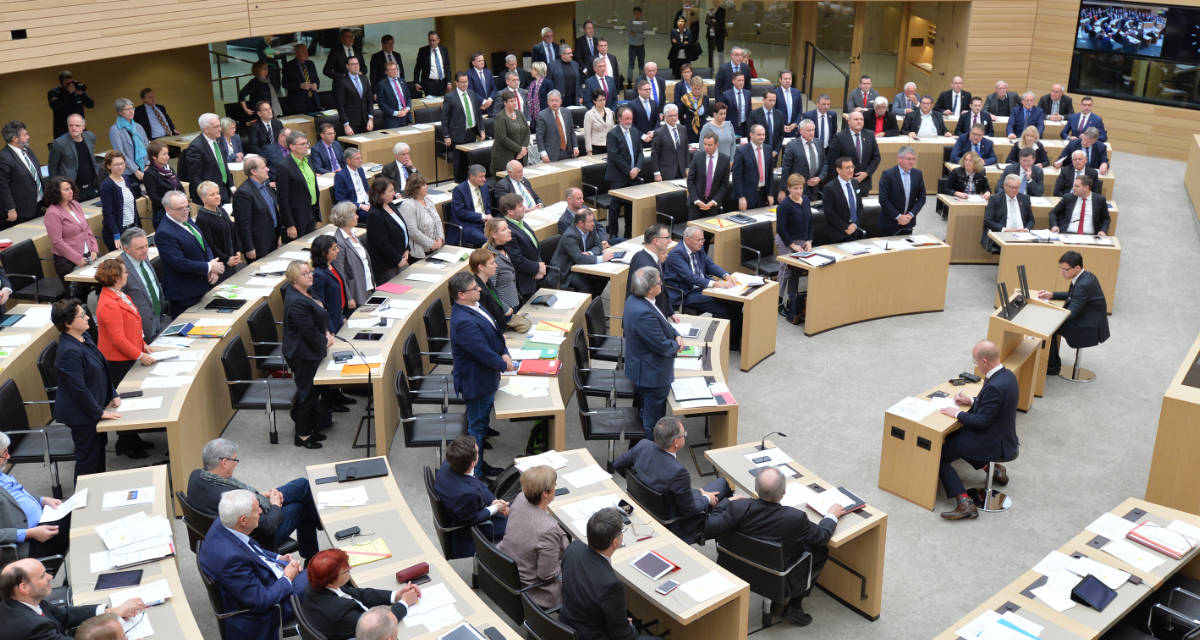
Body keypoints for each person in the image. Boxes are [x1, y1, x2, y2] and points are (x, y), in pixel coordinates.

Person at [707, 467, 844, 627]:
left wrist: (726, 503)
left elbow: (710, 526)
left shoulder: (738, 508)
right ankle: (794, 606)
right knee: (820, 551)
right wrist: (832, 515)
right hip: (775, 575)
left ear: (756, 489)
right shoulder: (795, 518)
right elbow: (822, 536)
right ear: (783, 492)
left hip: (735, 568)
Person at [197, 490, 308, 640]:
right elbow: (261, 601)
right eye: (257, 510)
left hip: (266, 578)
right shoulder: (231, 559)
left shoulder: (222, 524)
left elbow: (252, 549)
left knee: (324, 565)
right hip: (270, 608)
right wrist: (288, 577)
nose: (261, 512)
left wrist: (279, 557)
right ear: (243, 520)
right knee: (325, 570)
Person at [188, 437, 322, 557]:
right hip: (259, 536)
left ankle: (318, 526)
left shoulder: (196, 476)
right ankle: (313, 555)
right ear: (224, 462)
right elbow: (267, 526)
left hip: (242, 515)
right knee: (302, 507)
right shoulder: (226, 496)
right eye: (235, 459)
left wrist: (260, 496)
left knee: (302, 485)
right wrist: (275, 505)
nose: (236, 463)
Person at [936, 341, 1019, 520]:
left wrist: (956, 413)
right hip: (1004, 436)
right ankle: (993, 470)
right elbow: (995, 405)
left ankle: (964, 503)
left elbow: (981, 421)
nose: (975, 366)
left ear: (984, 361)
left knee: (940, 454)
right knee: (955, 440)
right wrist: (972, 401)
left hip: (992, 441)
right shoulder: (1007, 376)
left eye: (975, 362)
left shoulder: (995, 385)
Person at [614, 417, 733, 543]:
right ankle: (722, 530)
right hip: (675, 519)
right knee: (722, 484)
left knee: (708, 489)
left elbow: (618, 464)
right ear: (676, 442)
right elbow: (689, 509)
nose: (684, 436)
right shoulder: (678, 473)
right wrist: (707, 498)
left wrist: (638, 484)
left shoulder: (643, 445)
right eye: (684, 435)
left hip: (653, 504)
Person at [559, 507, 660, 640]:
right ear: (615, 542)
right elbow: (623, 635)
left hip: (567, 625)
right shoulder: (611, 585)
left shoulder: (574, 549)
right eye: (622, 531)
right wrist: (630, 627)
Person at [449, 274, 514, 478]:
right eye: (474, 289)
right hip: (476, 381)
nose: (479, 290)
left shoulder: (476, 306)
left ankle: (480, 465)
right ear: (461, 295)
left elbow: (496, 333)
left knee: (480, 422)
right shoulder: (462, 321)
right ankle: (474, 476)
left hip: (487, 376)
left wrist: (504, 351)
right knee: (476, 429)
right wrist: (505, 364)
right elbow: (482, 353)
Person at [94, 259, 155, 458]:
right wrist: (139, 355)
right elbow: (118, 339)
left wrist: (142, 343)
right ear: (116, 277)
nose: (127, 275)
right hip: (118, 360)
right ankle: (126, 442)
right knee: (124, 402)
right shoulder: (108, 303)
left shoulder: (120, 295)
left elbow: (133, 324)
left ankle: (133, 438)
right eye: (124, 272)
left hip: (129, 354)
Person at [51, 298, 119, 479]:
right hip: (82, 415)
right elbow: (78, 389)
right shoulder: (69, 351)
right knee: (88, 463)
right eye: (82, 315)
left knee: (98, 456)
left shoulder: (84, 337)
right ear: (68, 323)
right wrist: (98, 412)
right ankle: (80, 505)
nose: (88, 317)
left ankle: (98, 495)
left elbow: (101, 367)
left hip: (95, 407)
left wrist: (112, 393)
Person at [0, 557, 142, 640]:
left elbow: (64, 615)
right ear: (24, 588)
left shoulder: (23, 601)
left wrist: (112, 611)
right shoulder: (32, 628)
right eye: (43, 576)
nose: (51, 577)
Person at [302, 549, 418, 640]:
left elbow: (359, 594)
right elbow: (379, 627)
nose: (350, 568)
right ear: (331, 582)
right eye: (346, 570)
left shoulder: (316, 583)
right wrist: (404, 602)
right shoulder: (340, 612)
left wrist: (395, 595)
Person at [497, 465, 570, 609]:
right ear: (545, 494)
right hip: (535, 590)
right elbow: (547, 574)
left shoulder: (520, 498)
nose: (556, 487)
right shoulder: (549, 529)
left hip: (509, 569)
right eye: (554, 485)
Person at [622, 267, 681, 436]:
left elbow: (663, 323)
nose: (661, 284)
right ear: (650, 290)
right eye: (658, 282)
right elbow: (661, 345)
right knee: (653, 422)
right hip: (652, 374)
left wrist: (676, 335)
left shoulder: (636, 301)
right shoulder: (643, 314)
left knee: (646, 412)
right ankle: (650, 453)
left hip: (644, 368)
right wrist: (677, 345)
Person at [282, 260, 332, 449]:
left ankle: (309, 427)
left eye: (309, 272)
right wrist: (325, 341)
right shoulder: (296, 302)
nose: (310, 275)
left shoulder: (306, 292)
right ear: (295, 279)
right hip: (302, 354)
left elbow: (318, 319)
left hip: (310, 350)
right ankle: (301, 435)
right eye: (304, 273)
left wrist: (326, 333)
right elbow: (308, 331)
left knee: (313, 391)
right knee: (307, 393)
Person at [1037, 250, 1110, 376]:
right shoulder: (1086, 275)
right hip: (1090, 318)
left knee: (1049, 327)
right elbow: (1074, 296)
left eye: (1065, 269)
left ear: (1077, 268)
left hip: (1088, 326)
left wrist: (1051, 314)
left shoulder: (1083, 284)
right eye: (1061, 268)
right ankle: (1052, 362)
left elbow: (1072, 313)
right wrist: (1052, 295)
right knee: (1051, 323)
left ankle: (1052, 367)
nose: (1062, 272)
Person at [0, 433, 69, 559]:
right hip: (28, 544)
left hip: (41, 522)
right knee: (76, 519)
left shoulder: (1, 475)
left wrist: (42, 500)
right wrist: (29, 533)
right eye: (4, 454)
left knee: (74, 511)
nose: (8, 456)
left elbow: (16, 498)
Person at [156, 190, 223, 314]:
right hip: (184, 293)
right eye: (179, 208)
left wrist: (210, 267)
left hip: (202, 284)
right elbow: (179, 263)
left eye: (187, 206)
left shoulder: (186, 219)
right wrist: (208, 267)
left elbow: (204, 244)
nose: (185, 211)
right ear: (167, 209)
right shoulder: (164, 233)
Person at [664, 226, 740, 328]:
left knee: (736, 302)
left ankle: (736, 336)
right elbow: (691, 277)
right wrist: (717, 284)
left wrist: (726, 276)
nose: (702, 242)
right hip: (687, 293)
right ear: (687, 239)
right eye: (699, 240)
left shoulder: (698, 247)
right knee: (724, 308)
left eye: (703, 239)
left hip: (703, 286)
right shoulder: (676, 255)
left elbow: (709, 264)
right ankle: (726, 340)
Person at [44, 177, 99, 284]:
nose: (71, 191)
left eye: (71, 188)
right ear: (56, 193)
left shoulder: (75, 204)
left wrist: (94, 249)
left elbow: (86, 228)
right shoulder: (52, 213)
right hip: (67, 262)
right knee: (77, 297)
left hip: (88, 255)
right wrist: (78, 259)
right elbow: (57, 242)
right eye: (66, 189)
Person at [775, 174, 813, 323]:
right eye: (795, 188)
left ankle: (793, 299)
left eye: (801, 188)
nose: (798, 191)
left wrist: (809, 241)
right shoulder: (784, 206)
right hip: (786, 242)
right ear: (789, 188)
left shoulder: (806, 201)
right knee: (786, 270)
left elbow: (810, 223)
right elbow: (781, 229)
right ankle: (777, 301)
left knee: (796, 271)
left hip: (801, 241)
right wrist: (792, 245)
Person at [605, 106, 646, 239]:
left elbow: (640, 152)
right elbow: (614, 156)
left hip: (633, 176)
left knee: (630, 208)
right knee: (615, 208)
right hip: (618, 177)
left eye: (631, 119)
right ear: (619, 119)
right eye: (626, 119)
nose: (629, 121)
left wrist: (637, 168)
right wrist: (629, 170)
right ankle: (613, 234)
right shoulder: (612, 134)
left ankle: (629, 234)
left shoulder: (635, 132)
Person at [552, 209, 614, 297]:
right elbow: (579, 258)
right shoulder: (570, 235)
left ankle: (593, 301)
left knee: (603, 278)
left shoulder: (591, 229)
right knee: (586, 285)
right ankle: (583, 308)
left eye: (593, 220)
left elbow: (599, 246)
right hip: (566, 271)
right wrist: (601, 259)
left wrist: (590, 253)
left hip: (582, 265)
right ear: (581, 223)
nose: (593, 223)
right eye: (590, 221)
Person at [119, 228, 167, 340]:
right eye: (140, 248)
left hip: (158, 316)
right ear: (126, 249)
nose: (145, 250)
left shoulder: (143, 257)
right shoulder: (120, 268)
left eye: (146, 246)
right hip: (141, 326)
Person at [233, 155, 281, 261]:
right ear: (253, 171)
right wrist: (249, 247)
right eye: (264, 167)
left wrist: (278, 236)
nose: (268, 169)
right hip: (258, 244)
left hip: (273, 236)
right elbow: (243, 224)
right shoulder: (243, 193)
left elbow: (272, 211)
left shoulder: (266, 185)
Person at [499, 194, 545, 302]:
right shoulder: (508, 231)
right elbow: (517, 260)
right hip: (524, 281)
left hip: (535, 272)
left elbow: (535, 248)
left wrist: (539, 266)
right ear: (510, 211)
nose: (524, 208)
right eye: (520, 206)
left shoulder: (520, 222)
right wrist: (536, 268)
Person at [0, 121, 46, 230]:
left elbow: (37, 174)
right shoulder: (4, 157)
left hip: (40, 205)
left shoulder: (27, 150)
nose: (28, 137)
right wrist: (10, 209)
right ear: (15, 139)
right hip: (22, 211)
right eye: (25, 135)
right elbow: (3, 186)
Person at [327, 203, 373, 310]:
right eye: (354, 214)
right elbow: (340, 272)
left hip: (367, 284)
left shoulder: (352, 234)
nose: (357, 216)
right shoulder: (339, 241)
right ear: (345, 218)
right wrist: (349, 297)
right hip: (356, 290)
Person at [443, 72, 486, 182]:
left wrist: (481, 130)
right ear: (456, 83)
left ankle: (471, 181)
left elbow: (478, 114)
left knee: (470, 161)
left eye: (466, 82)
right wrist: (446, 135)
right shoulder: (450, 97)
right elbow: (445, 118)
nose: (464, 84)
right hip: (458, 134)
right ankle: (458, 183)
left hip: (472, 132)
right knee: (459, 163)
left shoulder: (472, 93)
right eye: (462, 82)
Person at [366, 178, 411, 282]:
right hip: (386, 266)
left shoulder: (391, 205)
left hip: (400, 257)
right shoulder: (374, 215)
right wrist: (398, 259)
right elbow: (382, 243)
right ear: (381, 194)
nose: (394, 193)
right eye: (390, 191)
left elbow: (402, 229)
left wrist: (406, 249)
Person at [195, 181, 243, 276]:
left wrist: (237, 250)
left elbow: (233, 230)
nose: (217, 196)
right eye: (212, 195)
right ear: (203, 198)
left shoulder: (221, 210)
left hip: (233, 259)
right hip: (220, 264)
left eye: (218, 193)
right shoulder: (202, 219)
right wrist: (226, 259)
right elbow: (210, 244)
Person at [877, 146, 926, 238]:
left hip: (908, 222)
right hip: (890, 222)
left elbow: (922, 198)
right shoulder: (888, 174)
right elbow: (883, 199)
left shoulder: (918, 174)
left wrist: (910, 215)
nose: (912, 162)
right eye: (909, 159)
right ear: (900, 159)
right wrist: (898, 216)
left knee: (905, 250)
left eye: (913, 159)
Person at [48, 114, 100, 201]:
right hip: (72, 190)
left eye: (77, 125)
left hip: (92, 186)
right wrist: (58, 189)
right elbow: (53, 167)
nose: (74, 128)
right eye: (71, 125)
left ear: (83, 126)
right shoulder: (59, 144)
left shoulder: (90, 136)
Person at [276, 131, 318, 237]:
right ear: (292, 146)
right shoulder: (284, 167)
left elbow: (314, 188)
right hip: (297, 217)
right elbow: (282, 199)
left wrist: (317, 216)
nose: (306, 146)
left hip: (311, 212)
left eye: (307, 143)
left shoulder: (308, 160)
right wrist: (290, 224)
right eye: (302, 144)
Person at [184, 113, 233, 205]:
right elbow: (194, 176)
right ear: (206, 130)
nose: (220, 129)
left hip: (224, 189)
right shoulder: (196, 147)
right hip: (209, 195)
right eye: (216, 127)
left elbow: (223, 165)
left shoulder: (219, 140)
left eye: (220, 126)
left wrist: (231, 186)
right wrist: (207, 194)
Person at [828, 111, 880, 194]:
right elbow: (832, 160)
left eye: (861, 119)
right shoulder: (839, 137)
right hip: (845, 182)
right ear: (849, 122)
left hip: (864, 182)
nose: (859, 121)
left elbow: (876, 157)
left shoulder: (870, 135)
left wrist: (866, 173)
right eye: (856, 119)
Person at [98, 151, 140, 252]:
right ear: (108, 166)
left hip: (131, 228)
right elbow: (108, 213)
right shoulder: (107, 185)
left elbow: (132, 205)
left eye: (122, 163)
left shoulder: (126, 179)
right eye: (116, 164)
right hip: (118, 232)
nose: (120, 167)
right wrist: (116, 234)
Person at [982, 174, 1035, 253]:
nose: (1014, 190)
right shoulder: (995, 199)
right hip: (1003, 234)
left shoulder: (1025, 199)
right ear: (1005, 186)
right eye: (1011, 187)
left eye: (1017, 187)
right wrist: (1005, 230)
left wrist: (1026, 229)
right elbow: (988, 221)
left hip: (1022, 235)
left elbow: (1031, 220)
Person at [687, 133, 732, 220]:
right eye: (705, 144)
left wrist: (714, 201)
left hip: (713, 205)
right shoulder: (697, 157)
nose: (706, 147)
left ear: (716, 144)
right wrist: (696, 200)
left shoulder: (725, 160)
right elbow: (690, 180)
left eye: (710, 145)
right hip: (696, 204)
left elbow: (724, 184)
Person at [399, 174, 444, 260]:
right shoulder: (408, 205)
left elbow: (438, 221)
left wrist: (440, 238)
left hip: (437, 247)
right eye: (423, 185)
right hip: (421, 252)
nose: (427, 186)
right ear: (415, 189)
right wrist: (432, 244)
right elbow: (413, 232)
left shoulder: (428, 200)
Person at [779, 120, 825, 203]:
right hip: (798, 189)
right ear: (800, 131)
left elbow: (825, 163)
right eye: (808, 130)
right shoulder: (792, 145)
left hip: (816, 187)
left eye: (813, 130)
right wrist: (782, 189)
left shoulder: (819, 143)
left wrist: (820, 177)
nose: (811, 133)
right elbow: (786, 169)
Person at [822, 157, 867, 242]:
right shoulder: (829, 188)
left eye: (852, 167)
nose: (851, 170)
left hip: (854, 232)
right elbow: (829, 212)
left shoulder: (855, 183)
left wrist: (855, 225)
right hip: (837, 235)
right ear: (838, 170)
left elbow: (860, 207)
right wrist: (845, 227)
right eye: (847, 168)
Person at [733, 124, 775, 211]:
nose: (762, 137)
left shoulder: (768, 149)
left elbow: (770, 174)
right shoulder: (741, 151)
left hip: (764, 195)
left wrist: (770, 194)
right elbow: (736, 177)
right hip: (747, 195)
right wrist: (741, 197)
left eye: (763, 134)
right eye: (759, 135)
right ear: (751, 135)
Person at [310, 235, 348, 332]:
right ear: (324, 252)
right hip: (332, 324)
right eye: (334, 248)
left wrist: (342, 316)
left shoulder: (331, 265)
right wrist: (329, 330)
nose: (338, 251)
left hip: (340, 316)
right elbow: (320, 306)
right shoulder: (319, 275)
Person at [483, 219, 519, 316]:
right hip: (505, 310)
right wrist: (505, 308)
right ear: (494, 235)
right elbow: (489, 289)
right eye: (504, 229)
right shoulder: (491, 259)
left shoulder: (506, 248)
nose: (509, 230)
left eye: (508, 227)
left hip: (514, 301)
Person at [141, 142, 181, 228]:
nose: (168, 157)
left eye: (168, 154)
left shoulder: (169, 168)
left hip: (179, 209)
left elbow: (179, 186)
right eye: (164, 154)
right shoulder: (149, 174)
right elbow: (154, 197)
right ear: (154, 157)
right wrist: (172, 205)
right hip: (163, 213)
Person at [450, 165, 490, 248]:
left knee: (504, 233)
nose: (484, 179)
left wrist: (488, 217)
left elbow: (488, 206)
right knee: (487, 240)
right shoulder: (459, 190)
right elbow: (460, 213)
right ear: (472, 177)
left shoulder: (484, 186)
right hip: (468, 224)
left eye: (484, 176)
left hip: (485, 222)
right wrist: (483, 216)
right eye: (481, 176)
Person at [492, 89, 531, 175]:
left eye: (515, 101)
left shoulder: (519, 113)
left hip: (521, 154)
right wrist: (519, 149)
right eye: (511, 101)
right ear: (505, 103)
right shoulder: (500, 117)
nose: (514, 103)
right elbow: (502, 138)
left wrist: (523, 148)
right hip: (505, 156)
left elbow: (527, 131)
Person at [469, 247, 511, 328]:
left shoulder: (487, 281)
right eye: (492, 263)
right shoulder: (478, 291)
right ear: (481, 267)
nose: (496, 265)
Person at [47, 70, 95, 139]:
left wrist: (82, 94)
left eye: (71, 82)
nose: (70, 85)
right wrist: (68, 92)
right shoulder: (54, 92)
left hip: (80, 130)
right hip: (63, 131)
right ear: (61, 83)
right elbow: (55, 106)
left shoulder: (77, 91)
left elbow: (91, 105)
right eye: (67, 83)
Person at [335, 57, 374, 136]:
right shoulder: (342, 82)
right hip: (351, 124)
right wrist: (346, 125)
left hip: (366, 121)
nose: (356, 66)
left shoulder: (364, 79)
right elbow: (340, 105)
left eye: (357, 64)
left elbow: (369, 100)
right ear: (347, 66)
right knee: (353, 148)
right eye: (353, 64)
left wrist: (370, 118)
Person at [537, 91, 579, 163]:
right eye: (552, 101)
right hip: (551, 154)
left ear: (561, 101)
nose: (554, 103)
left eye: (556, 100)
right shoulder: (542, 115)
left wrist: (575, 146)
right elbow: (539, 136)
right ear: (548, 102)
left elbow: (571, 131)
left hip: (568, 152)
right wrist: (543, 154)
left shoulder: (567, 112)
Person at [650, 104, 688, 182]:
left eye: (675, 115)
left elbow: (686, 151)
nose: (674, 118)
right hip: (667, 173)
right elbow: (655, 155)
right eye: (671, 116)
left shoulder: (682, 129)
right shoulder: (659, 133)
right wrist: (657, 173)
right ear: (665, 117)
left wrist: (687, 167)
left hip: (681, 171)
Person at [283, 43, 322, 114]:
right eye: (303, 52)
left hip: (313, 100)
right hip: (298, 103)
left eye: (306, 51)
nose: (306, 54)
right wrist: (300, 85)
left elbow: (316, 79)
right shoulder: (289, 66)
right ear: (297, 53)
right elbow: (285, 84)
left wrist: (316, 84)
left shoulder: (310, 63)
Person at [333, 147, 371, 214]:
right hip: (356, 209)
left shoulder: (360, 170)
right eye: (357, 159)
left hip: (368, 203)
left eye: (360, 158)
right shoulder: (340, 176)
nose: (361, 161)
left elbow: (367, 189)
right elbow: (341, 200)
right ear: (348, 160)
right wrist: (360, 206)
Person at [414, 30, 449, 96]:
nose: (431, 42)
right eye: (430, 40)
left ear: (438, 40)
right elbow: (417, 68)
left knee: (442, 103)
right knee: (431, 104)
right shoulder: (423, 51)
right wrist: (416, 82)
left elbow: (447, 66)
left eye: (433, 40)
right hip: (429, 83)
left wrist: (449, 82)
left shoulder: (444, 50)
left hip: (442, 83)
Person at [678, 72, 710, 144]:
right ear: (691, 86)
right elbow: (680, 115)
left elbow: (706, 113)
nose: (697, 91)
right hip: (689, 129)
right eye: (695, 89)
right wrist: (686, 124)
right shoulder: (685, 98)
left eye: (699, 89)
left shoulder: (705, 98)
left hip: (703, 129)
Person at [721, 72, 752, 137]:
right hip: (731, 127)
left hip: (745, 126)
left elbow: (749, 111)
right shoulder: (726, 95)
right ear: (733, 81)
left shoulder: (747, 94)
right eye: (739, 80)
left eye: (743, 80)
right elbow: (722, 113)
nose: (741, 82)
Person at [705, 2, 728, 68]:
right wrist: (713, 20)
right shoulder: (710, 10)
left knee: (720, 52)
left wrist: (713, 20)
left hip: (719, 35)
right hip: (711, 35)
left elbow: (721, 21)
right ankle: (710, 68)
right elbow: (706, 21)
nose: (715, 1)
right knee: (710, 53)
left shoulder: (722, 10)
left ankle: (722, 68)